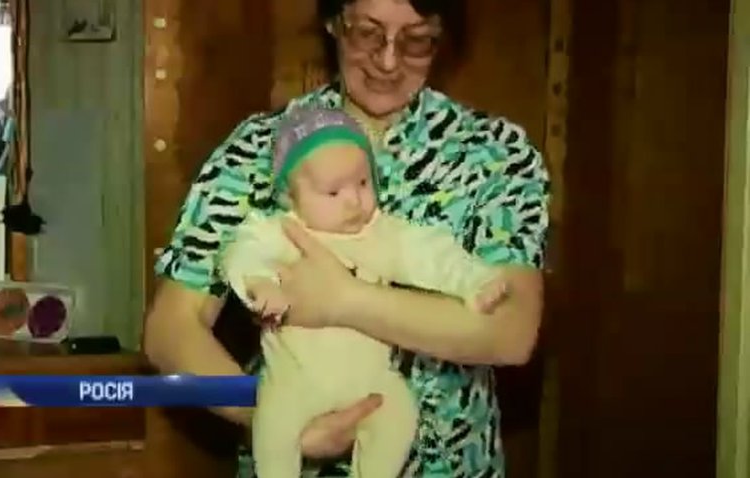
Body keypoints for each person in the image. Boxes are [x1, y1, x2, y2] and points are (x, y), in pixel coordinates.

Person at [146, 0, 550, 476]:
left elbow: (512, 331)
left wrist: (344, 300)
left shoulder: (495, 154)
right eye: (368, 33)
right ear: (334, 22)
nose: (388, 61)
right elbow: (170, 329)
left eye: (417, 40)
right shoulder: (258, 148)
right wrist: (268, 416)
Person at [222, 107, 508, 478]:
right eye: (333, 191)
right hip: (295, 381)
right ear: (290, 197)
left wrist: (474, 282)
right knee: (273, 426)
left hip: (370, 381)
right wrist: (258, 283)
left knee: (399, 411)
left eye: (362, 183)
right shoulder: (283, 232)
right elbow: (243, 251)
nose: (353, 201)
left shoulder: (381, 234)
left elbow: (431, 254)